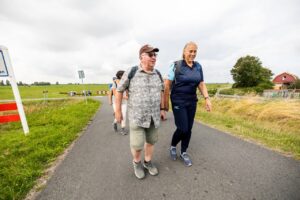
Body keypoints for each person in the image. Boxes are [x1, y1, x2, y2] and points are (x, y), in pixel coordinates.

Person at [115, 44, 166, 179]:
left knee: (151, 141)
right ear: (141, 56)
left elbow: (162, 91)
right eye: (150, 54)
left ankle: (147, 162)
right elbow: (119, 90)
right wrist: (118, 111)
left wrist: (162, 109)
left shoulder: (158, 73)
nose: (154, 57)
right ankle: (137, 162)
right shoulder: (132, 72)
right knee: (137, 145)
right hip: (136, 116)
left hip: (153, 117)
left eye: (155, 55)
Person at [164, 41, 212, 167]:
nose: (193, 53)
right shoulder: (176, 65)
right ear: (184, 51)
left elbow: (201, 83)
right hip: (178, 100)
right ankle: (173, 146)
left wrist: (207, 98)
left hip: (192, 101)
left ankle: (184, 152)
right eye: (190, 51)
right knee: (183, 128)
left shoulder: (198, 66)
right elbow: (167, 85)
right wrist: (164, 104)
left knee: (189, 128)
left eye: (195, 51)